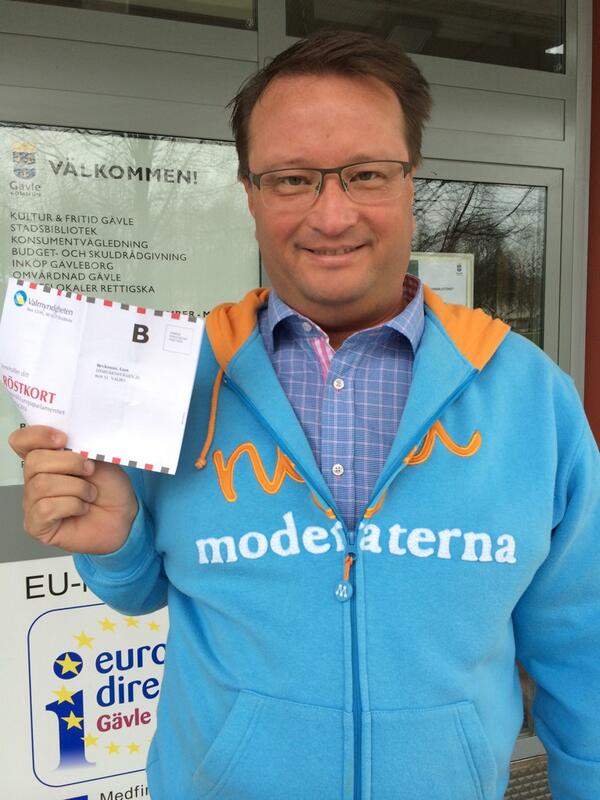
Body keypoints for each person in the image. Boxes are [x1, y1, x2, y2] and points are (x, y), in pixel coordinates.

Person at [9, 29, 600, 800]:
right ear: (250, 193)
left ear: (411, 181)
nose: (332, 215)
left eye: (365, 174)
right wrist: (117, 544)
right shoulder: (178, 382)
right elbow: (140, 591)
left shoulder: (532, 397)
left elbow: (581, 643)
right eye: (292, 179)